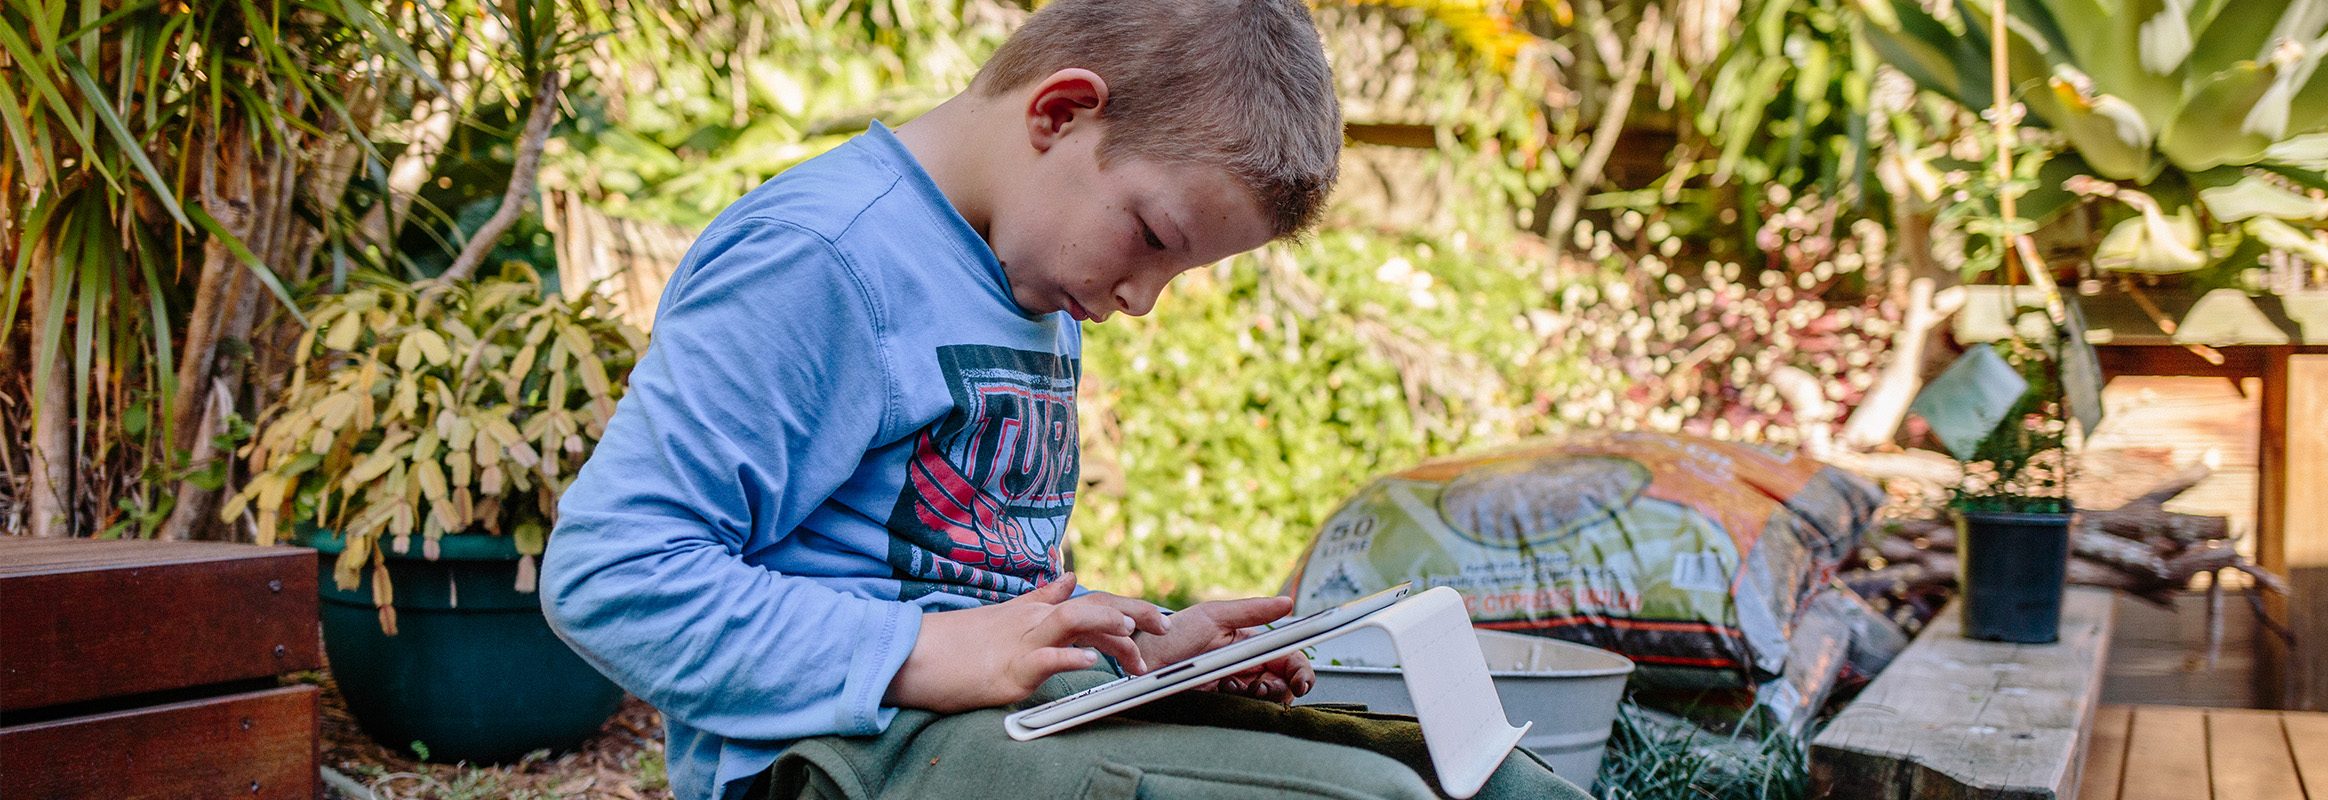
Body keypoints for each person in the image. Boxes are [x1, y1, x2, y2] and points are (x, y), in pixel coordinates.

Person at [540, 2, 1596, 798]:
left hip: (997, 721)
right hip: (830, 756)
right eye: (1154, 240)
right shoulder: (825, 259)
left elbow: (970, 577)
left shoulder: (1029, 268)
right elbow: (610, 572)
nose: (1141, 299)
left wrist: (1129, 656)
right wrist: (922, 652)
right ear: (1061, 111)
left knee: (1501, 779)